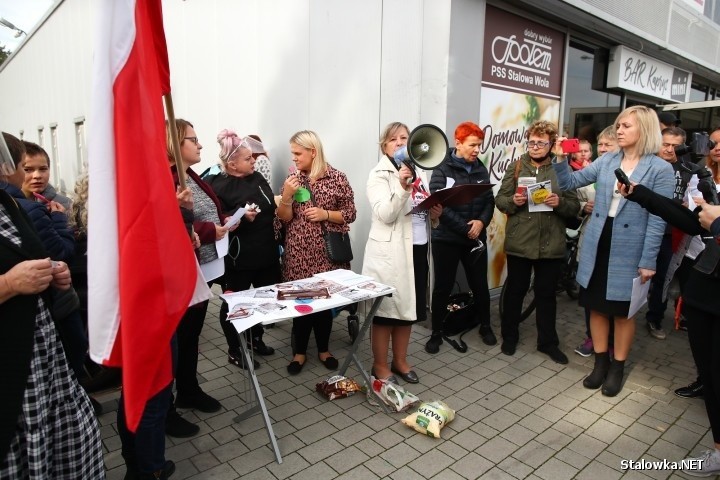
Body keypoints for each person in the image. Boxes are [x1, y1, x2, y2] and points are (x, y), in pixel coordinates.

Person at [0, 132, 105, 479]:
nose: (33, 175)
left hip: (44, 355)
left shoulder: (12, 205)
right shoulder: (30, 204)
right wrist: (10, 283)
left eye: (42, 167)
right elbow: (61, 247)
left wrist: (50, 273)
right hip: (16, 376)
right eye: (24, 167)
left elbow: (48, 256)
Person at [553, 105, 674, 396]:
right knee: (595, 306)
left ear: (644, 129)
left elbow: (659, 219)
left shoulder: (661, 169)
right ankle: (600, 363)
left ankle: (617, 367)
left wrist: (648, 261)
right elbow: (569, 181)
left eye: (626, 126)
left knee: (623, 313)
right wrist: (560, 157)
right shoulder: (607, 161)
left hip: (631, 249)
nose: (619, 130)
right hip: (599, 240)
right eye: (618, 125)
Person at [617, 168, 720, 476]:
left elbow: (711, 225)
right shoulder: (709, 187)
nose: (714, 150)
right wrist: (639, 194)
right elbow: (692, 222)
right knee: (711, 379)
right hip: (703, 298)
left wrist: (717, 222)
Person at [362, 122, 442, 383]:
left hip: (417, 249)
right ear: (384, 145)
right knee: (386, 312)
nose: (399, 142)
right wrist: (401, 185)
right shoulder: (379, 174)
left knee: (408, 311)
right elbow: (385, 213)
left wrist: (435, 215)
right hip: (390, 255)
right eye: (393, 139)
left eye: (404, 138)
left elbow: (421, 209)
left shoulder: (421, 172)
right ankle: (380, 364)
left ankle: (400, 360)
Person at [166, 119, 231, 434]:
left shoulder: (187, 174)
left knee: (190, 336)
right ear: (174, 143)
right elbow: (168, 220)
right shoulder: (166, 176)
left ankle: (188, 390)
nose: (200, 144)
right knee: (174, 340)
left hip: (199, 266)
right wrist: (208, 230)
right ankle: (165, 407)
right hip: (177, 271)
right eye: (193, 139)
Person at [495, 120, 580, 364]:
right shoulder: (517, 165)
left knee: (546, 295)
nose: (534, 146)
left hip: (551, 243)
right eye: (531, 142)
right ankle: (509, 337)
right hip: (521, 241)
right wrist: (514, 201)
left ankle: (547, 343)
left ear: (551, 144)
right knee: (515, 292)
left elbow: (574, 206)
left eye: (540, 142)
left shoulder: (561, 170)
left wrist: (560, 203)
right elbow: (500, 200)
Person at [277, 130, 356, 374]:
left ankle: (324, 350)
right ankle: (299, 353)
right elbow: (283, 219)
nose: (294, 159)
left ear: (313, 152)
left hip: (327, 255)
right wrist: (287, 197)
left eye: (298, 153)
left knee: (323, 305)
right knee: (301, 305)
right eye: (293, 154)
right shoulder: (293, 180)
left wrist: (325, 214)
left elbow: (351, 213)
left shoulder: (337, 178)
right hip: (299, 253)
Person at [205, 129, 279, 369]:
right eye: (248, 159)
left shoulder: (256, 177)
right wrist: (235, 217)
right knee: (235, 304)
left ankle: (255, 338)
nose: (254, 161)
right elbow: (214, 219)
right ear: (232, 165)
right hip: (239, 259)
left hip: (266, 252)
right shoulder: (217, 185)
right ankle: (235, 349)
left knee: (263, 299)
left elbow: (269, 204)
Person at [425, 121, 496, 354]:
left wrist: (481, 222)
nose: (477, 150)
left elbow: (489, 201)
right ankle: (436, 332)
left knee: (479, 285)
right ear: (458, 143)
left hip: (475, 238)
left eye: (479, 146)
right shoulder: (442, 168)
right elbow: (438, 206)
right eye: (473, 145)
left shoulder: (480, 167)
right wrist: (466, 228)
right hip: (446, 239)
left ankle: (486, 326)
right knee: (442, 287)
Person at [644, 126, 702, 341]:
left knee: (662, 279)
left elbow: (697, 201)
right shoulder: (645, 164)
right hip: (642, 228)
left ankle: (654, 318)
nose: (669, 149)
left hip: (671, 233)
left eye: (675, 146)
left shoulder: (690, 170)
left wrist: (692, 204)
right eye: (665, 144)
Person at [574, 126, 618, 357]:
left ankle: (611, 342)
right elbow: (574, 194)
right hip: (590, 239)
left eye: (607, 145)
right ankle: (592, 337)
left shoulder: (628, 173)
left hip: (614, 244)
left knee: (611, 297)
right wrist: (583, 207)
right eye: (599, 145)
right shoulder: (591, 171)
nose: (601, 149)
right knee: (589, 294)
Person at [20, 141, 72, 210]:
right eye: (27, 170)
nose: (37, 176)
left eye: (43, 169)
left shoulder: (66, 204)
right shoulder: (7, 206)